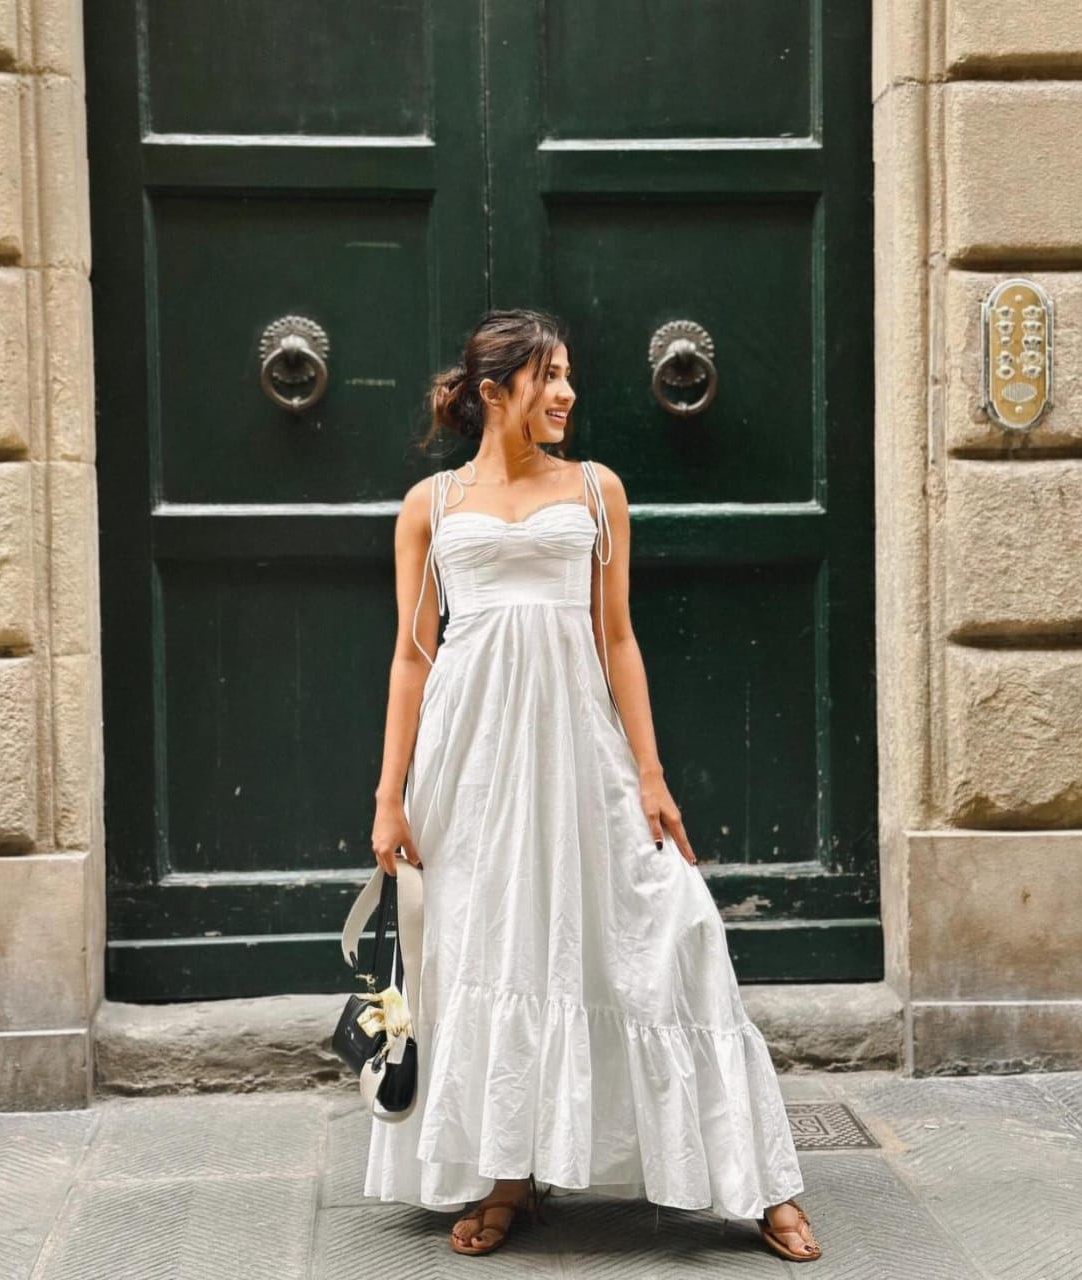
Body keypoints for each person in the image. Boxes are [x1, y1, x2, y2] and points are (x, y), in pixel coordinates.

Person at [363, 308, 821, 1263]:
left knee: (673, 925)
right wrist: (388, 794)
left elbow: (617, 637)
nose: (567, 393)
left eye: (569, 375)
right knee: (494, 945)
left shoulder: (596, 490)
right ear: (495, 393)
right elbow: (412, 657)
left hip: (580, 750)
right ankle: (506, 1176)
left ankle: (759, 1178)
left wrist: (650, 774)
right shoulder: (429, 505)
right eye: (549, 377)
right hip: (470, 760)